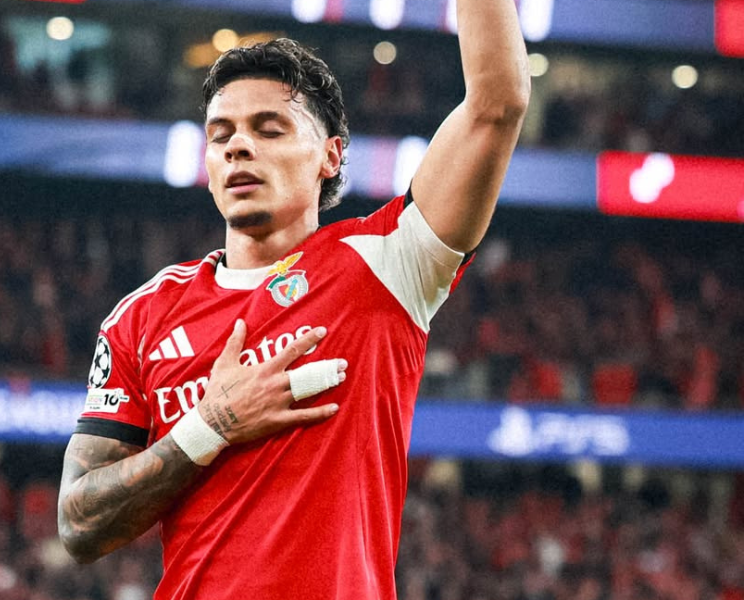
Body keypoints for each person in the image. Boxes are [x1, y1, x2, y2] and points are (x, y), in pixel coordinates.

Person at [58, 0, 529, 596]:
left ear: (330, 156)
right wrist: (210, 425)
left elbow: (496, 105)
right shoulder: (141, 317)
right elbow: (79, 525)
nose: (237, 146)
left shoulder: (385, 263)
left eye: (268, 128)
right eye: (221, 135)